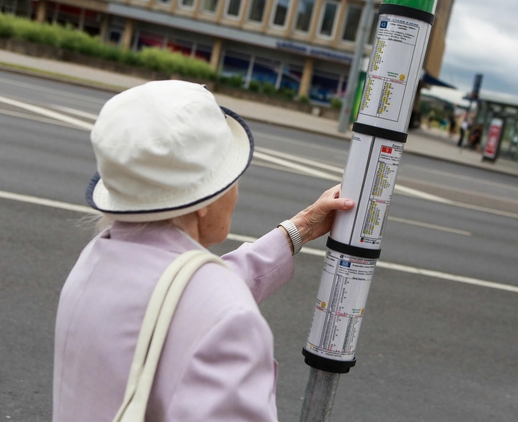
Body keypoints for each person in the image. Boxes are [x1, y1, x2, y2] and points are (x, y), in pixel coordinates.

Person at [52, 81, 355, 421]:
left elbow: (180, 293)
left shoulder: (97, 258)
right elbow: (206, 303)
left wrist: (299, 228)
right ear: (201, 202)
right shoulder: (226, 318)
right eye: (230, 175)